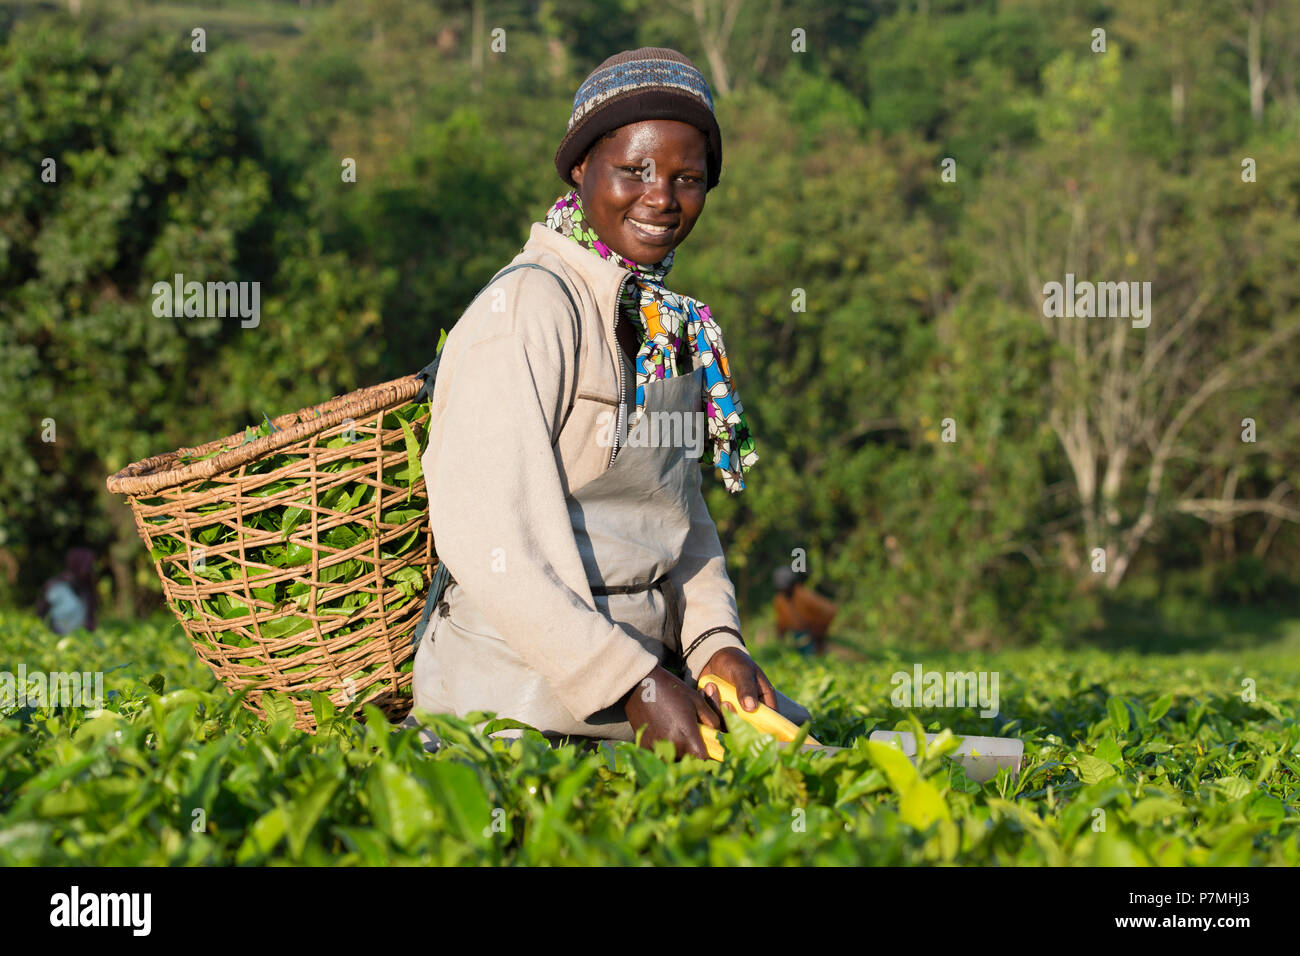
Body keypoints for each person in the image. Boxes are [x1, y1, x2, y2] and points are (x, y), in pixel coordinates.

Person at [407, 47, 812, 760]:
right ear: (580, 168)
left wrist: (716, 645)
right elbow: (487, 543)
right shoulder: (525, 309)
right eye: (636, 170)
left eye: (688, 179)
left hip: (646, 682)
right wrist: (633, 683)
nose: (662, 198)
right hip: (513, 701)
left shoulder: (671, 328)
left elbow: (682, 523)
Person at [772, 567, 837, 656]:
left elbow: (830, 610)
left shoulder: (804, 596)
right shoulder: (780, 600)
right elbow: (781, 622)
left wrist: (819, 631)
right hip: (797, 637)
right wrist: (780, 637)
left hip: (811, 636)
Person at [35, 546, 98, 635]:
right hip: (55, 639)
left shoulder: (87, 589)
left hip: (80, 641)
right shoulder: (55, 587)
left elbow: (90, 622)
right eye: (88, 565)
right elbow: (40, 616)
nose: (91, 569)